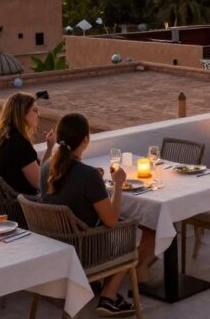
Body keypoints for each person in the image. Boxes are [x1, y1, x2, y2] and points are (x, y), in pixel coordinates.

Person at [40, 113, 154, 317]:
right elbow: (111, 221)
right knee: (127, 239)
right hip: (84, 251)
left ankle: (106, 292)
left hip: (53, 245)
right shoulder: (87, 175)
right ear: (85, 140)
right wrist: (117, 184)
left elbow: (70, 191)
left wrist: (95, 182)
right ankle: (108, 298)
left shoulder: (46, 168)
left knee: (112, 232)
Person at [0, 92, 56, 195]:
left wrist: (49, 147)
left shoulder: (0, 137)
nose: (38, 115)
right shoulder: (19, 144)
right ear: (22, 113)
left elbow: (38, 172)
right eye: (35, 110)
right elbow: (40, 184)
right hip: (22, 203)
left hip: (1, 201)